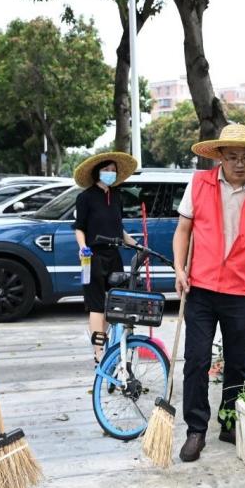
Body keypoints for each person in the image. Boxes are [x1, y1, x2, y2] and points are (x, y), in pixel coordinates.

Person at [173, 124, 245, 462]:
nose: (240, 163)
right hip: (201, 288)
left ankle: (228, 422)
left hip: (241, 292)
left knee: (237, 364)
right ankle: (196, 430)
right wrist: (179, 269)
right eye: (233, 156)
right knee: (196, 360)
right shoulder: (199, 184)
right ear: (220, 156)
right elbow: (183, 230)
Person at [71, 152, 141, 363]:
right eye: (106, 170)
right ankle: (99, 351)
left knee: (115, 303)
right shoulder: (85, 197)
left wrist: (137, 246)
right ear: (97, 172)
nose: (110, 173)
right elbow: (79, 228)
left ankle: (104, 339)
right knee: (97, 306)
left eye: (113, 170)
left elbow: (119, 229)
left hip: (114, 255)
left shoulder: (117, 196)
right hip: (92, 256)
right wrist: (83, 247)